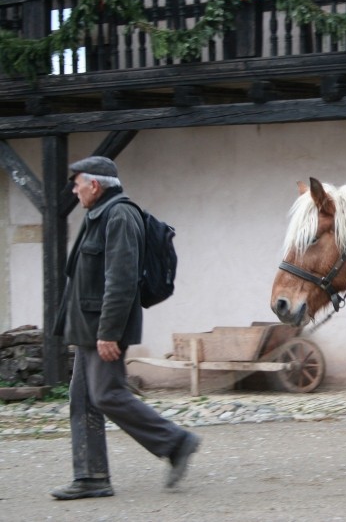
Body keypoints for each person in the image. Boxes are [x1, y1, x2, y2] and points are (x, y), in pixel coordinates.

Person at [51, 156, 200, 500]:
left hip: (102, 327)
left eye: (77, 183)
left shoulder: (119, 215)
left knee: (106, 393)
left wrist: (109, 332)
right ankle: (91, 477)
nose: (73, 189)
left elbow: (120, 280)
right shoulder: (98, 215)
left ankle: (177, 442)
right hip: (90, 327)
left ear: (95, 184)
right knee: (83, 397)